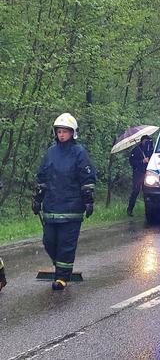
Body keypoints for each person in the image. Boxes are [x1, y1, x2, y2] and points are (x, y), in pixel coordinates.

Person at [33, 113, 96, 290]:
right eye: (59, 131)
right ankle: (60, 267)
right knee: (49, 241)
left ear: (73, 133)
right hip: (51, 207)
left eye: (65, 132)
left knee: (66, 244)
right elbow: (42, 177)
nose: (61, 135)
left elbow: (87, 178)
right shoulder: (51, 153)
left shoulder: (79, 153)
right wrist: (38, 199)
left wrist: (88, 200)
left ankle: (62, 277)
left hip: (72, 208)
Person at [127, 134, 153, 216]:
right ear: (142, 141)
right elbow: (132, 162)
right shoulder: (136, 150)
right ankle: (129, 210)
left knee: (148, 193)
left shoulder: (151, 150)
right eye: (145, 141)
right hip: (138, 173)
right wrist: (142, 161)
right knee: (135, 191)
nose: (147, 143)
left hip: (148, 173)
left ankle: (148, 211)